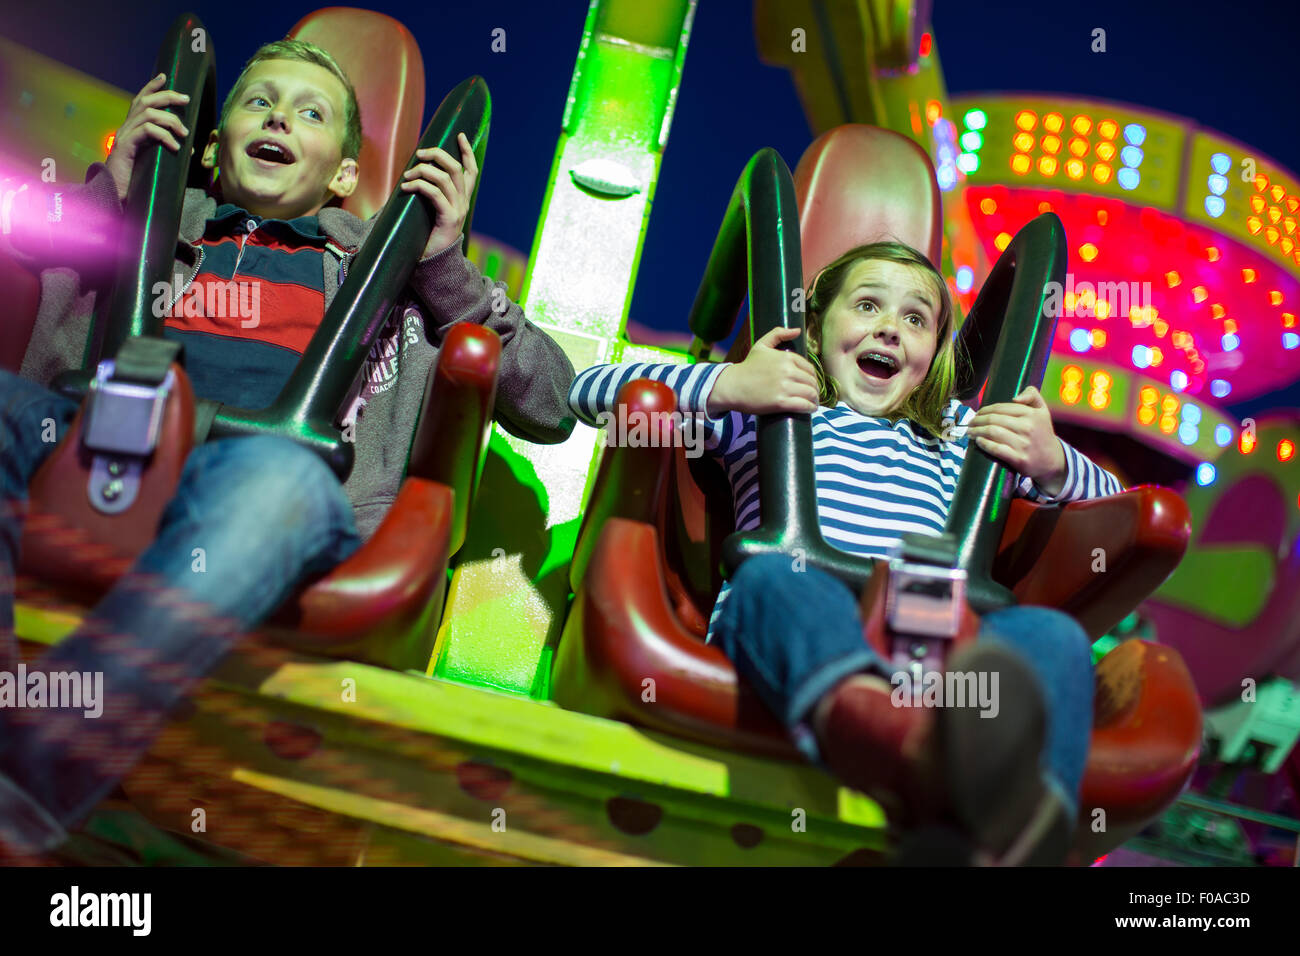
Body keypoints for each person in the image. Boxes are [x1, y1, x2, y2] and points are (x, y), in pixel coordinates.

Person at [0, 39, 575, 859]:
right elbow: (27, 253)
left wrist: (445, 266)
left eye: (311, 114)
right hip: (102, 437)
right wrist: (112, 192)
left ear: (342, 175)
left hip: (270, 461)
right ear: (208, 144)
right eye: (257, 101)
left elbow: (548, 404)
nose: (279, 116)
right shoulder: (158, 218)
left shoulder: (384, 259)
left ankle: (32, 772)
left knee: (276, 483)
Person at [568, 241, 1123, 865]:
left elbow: (1115, 501)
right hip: (799, 623)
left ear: (932, 356)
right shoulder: (768, 408)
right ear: (814, 327)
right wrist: (729, 383)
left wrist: (1052, 463)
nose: (890, 327)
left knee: (1055, 636)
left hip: (927, 647)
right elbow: (591, 395)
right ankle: (872, 728)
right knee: (773, 578)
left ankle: (1024, 820)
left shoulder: (958, 438)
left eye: (916, 319)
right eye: (867, 305)